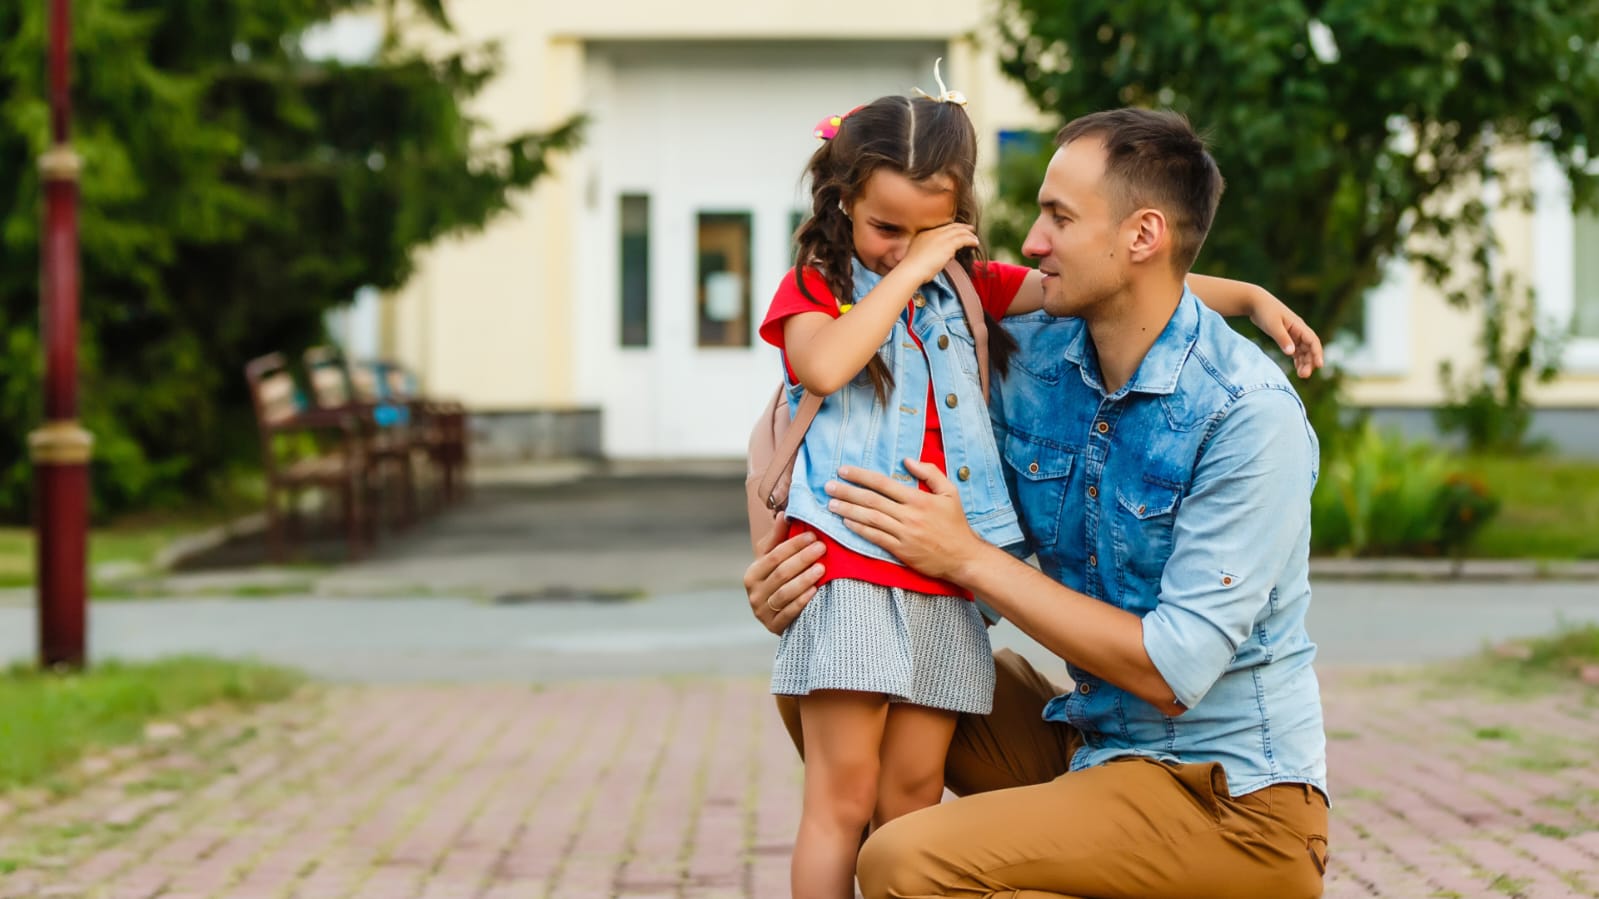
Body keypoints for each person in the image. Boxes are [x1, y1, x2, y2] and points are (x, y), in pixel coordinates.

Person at [763, 74, 1326, 897]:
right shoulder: (1031, 358)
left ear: (1141, 236)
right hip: (1090, 741)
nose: (1028, 240)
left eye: (1059, 218)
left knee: (904, 860)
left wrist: (966, 559)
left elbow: (1175, 670)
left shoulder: (1248, 416)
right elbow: (808, 406)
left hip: (1224, 798)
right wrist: (783, 565)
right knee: (836, 680)